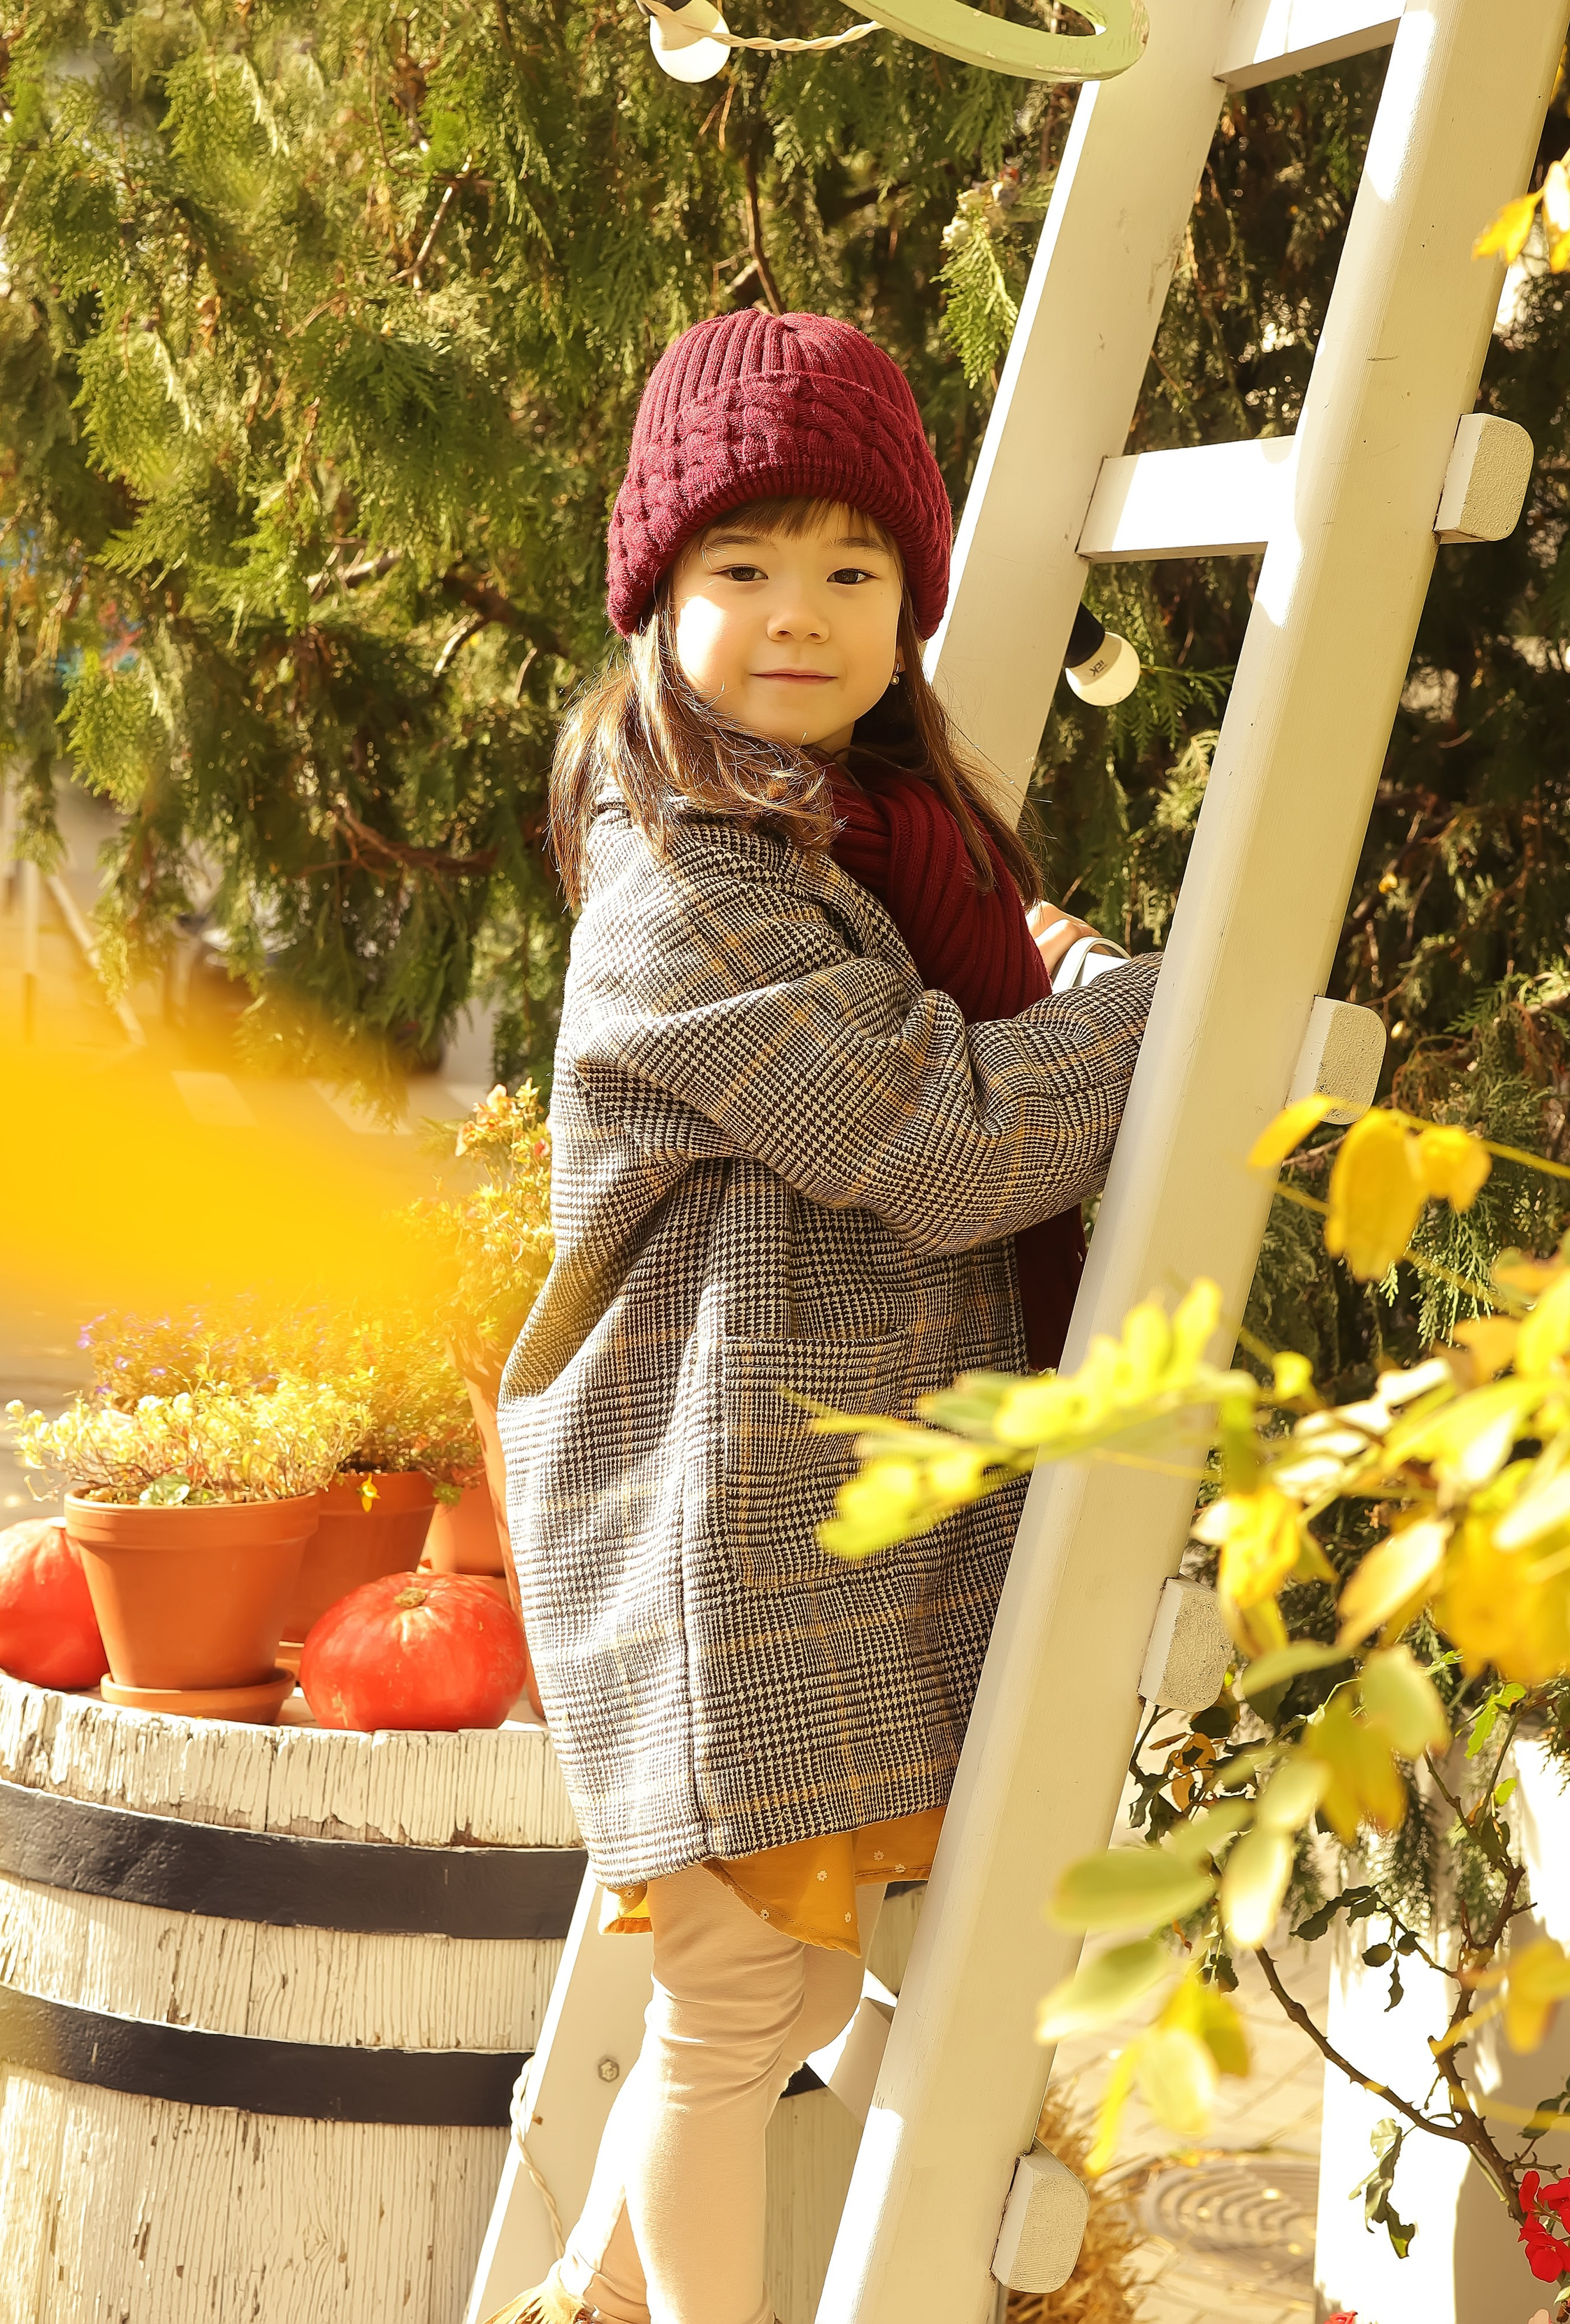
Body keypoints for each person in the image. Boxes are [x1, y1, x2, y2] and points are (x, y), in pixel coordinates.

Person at [490, 309, 1161, 2324]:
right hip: (706, 1555)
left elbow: (942, 1078)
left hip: (786, 1540)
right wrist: (1137, 1009)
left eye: (854, 569)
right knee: (742, 1995)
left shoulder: (853, 851)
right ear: (656, 600)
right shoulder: (687, 895)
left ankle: (588, 2309)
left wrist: (1046, 987)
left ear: (910, 604)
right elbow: (944, 1136)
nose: (803, 614)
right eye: (745, 568)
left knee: (768, 1982)